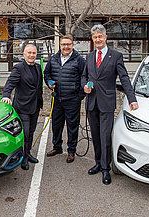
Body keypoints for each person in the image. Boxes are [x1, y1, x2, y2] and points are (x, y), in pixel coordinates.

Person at [81, 24, 139, 185]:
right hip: (92, 102)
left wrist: (132, 98)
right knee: (95, 135)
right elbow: (84, 76)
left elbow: (124, 78)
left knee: (105, 136)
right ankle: (98, 163)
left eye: (100, 36)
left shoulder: (116, 56)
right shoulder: (89, 56)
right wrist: (84, 85)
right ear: (92, 39)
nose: (98, 39)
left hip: (107, 103)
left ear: (105, 38)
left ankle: (106, 168)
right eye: (95, 37)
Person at [44, 35, 85, 163]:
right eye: (63, 44)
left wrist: (79, 97)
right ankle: (57, 147)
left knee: (72, 126)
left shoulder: (79, 60)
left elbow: (84, 78)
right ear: (60, 45)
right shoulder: (54, 59)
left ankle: (71, 150)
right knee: (56, 125)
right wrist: (49, 82)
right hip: (57, 99)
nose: (66, 47)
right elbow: (47, 74)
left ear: (73, 45)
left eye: (68, 44)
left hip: (72, 99)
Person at [1, 44, 43, 170]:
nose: (31, 55)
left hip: (35, 106)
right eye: (29, 53)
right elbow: (10, 83)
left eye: (34, 53)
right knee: (24, 133)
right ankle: (23, 158)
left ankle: (28, 153)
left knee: (31, 132)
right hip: (23, 107)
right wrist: (6, 95)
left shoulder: (38, 67)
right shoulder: (18, 68)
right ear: (23, 54)